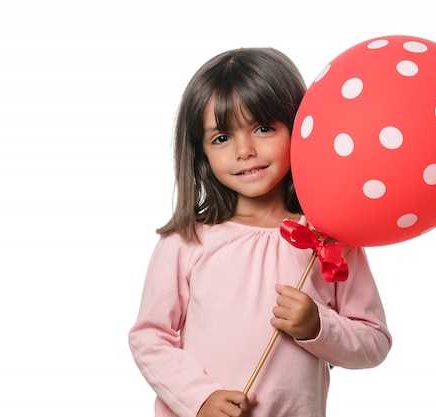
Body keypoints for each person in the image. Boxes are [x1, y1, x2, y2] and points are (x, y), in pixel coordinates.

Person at [128, 47, 392, 417]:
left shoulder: (329, 240)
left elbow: (374, 341)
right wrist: (199, 398)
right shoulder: (185, 241)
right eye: (221, 138)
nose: (245, 150)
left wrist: (318, 326)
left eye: (264, 128)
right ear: (201, 153)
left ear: (299, 128)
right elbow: (150, 337)